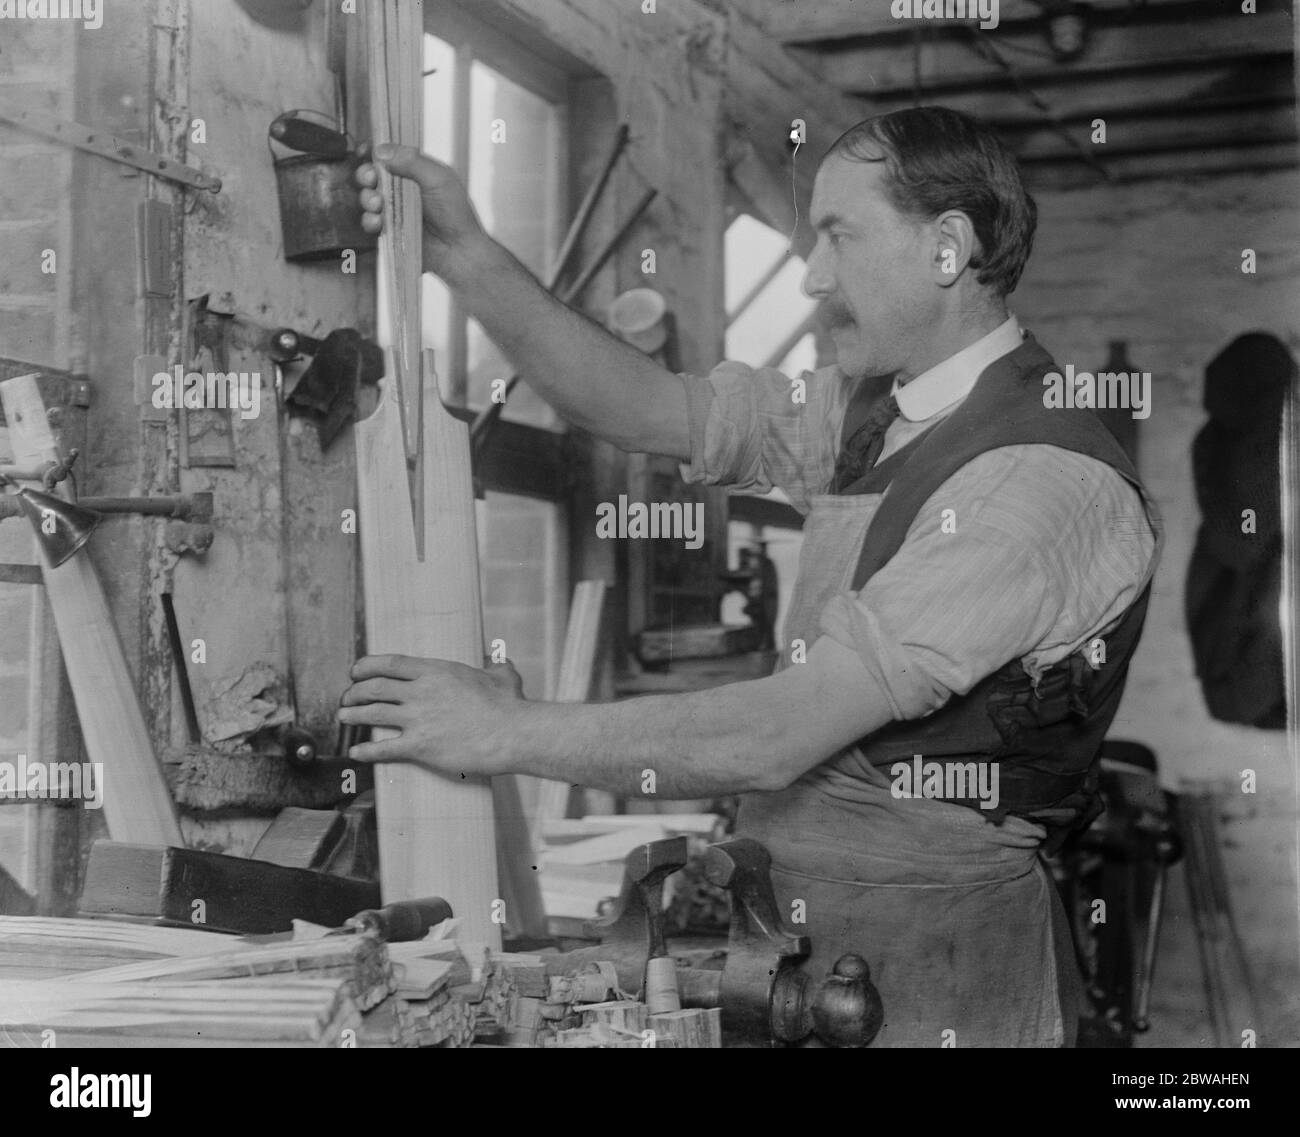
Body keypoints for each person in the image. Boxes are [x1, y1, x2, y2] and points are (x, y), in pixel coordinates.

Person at [338, 106, 1163, 1047]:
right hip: (795, 933)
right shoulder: (881, 410)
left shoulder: (1037, 478)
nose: (813, 278)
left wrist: (504, 729)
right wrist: (469, 258)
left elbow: (778, 733)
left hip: (938, 965)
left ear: (947, 248)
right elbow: (652, 409)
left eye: (839, 238)